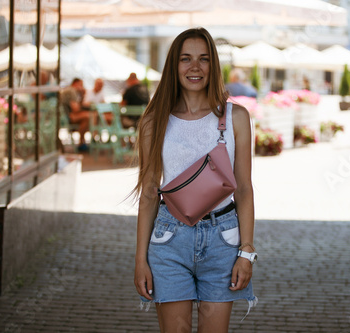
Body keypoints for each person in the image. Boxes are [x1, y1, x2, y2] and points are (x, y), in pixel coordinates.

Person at [133, 27, 257, 333]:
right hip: (170, 239)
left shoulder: (235, 117)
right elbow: (149, 191)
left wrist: (246, 251)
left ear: (213, 65)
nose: (195, 67)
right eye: (185, 59)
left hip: (223, 241)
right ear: (174, 65)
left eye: (203, 59)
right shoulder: (155, 120)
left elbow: (243, 189)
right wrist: (140, 259)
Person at [60, 78, 92, 151]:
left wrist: (83, 95)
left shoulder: (72, 91)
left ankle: (82, 142)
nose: (82, 87)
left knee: (88, 117)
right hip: (66, 117)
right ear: (75, 84)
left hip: (67, 115)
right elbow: (75, 109)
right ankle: (81, 142)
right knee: (88, 116)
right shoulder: (71, 91)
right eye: (81, 85)